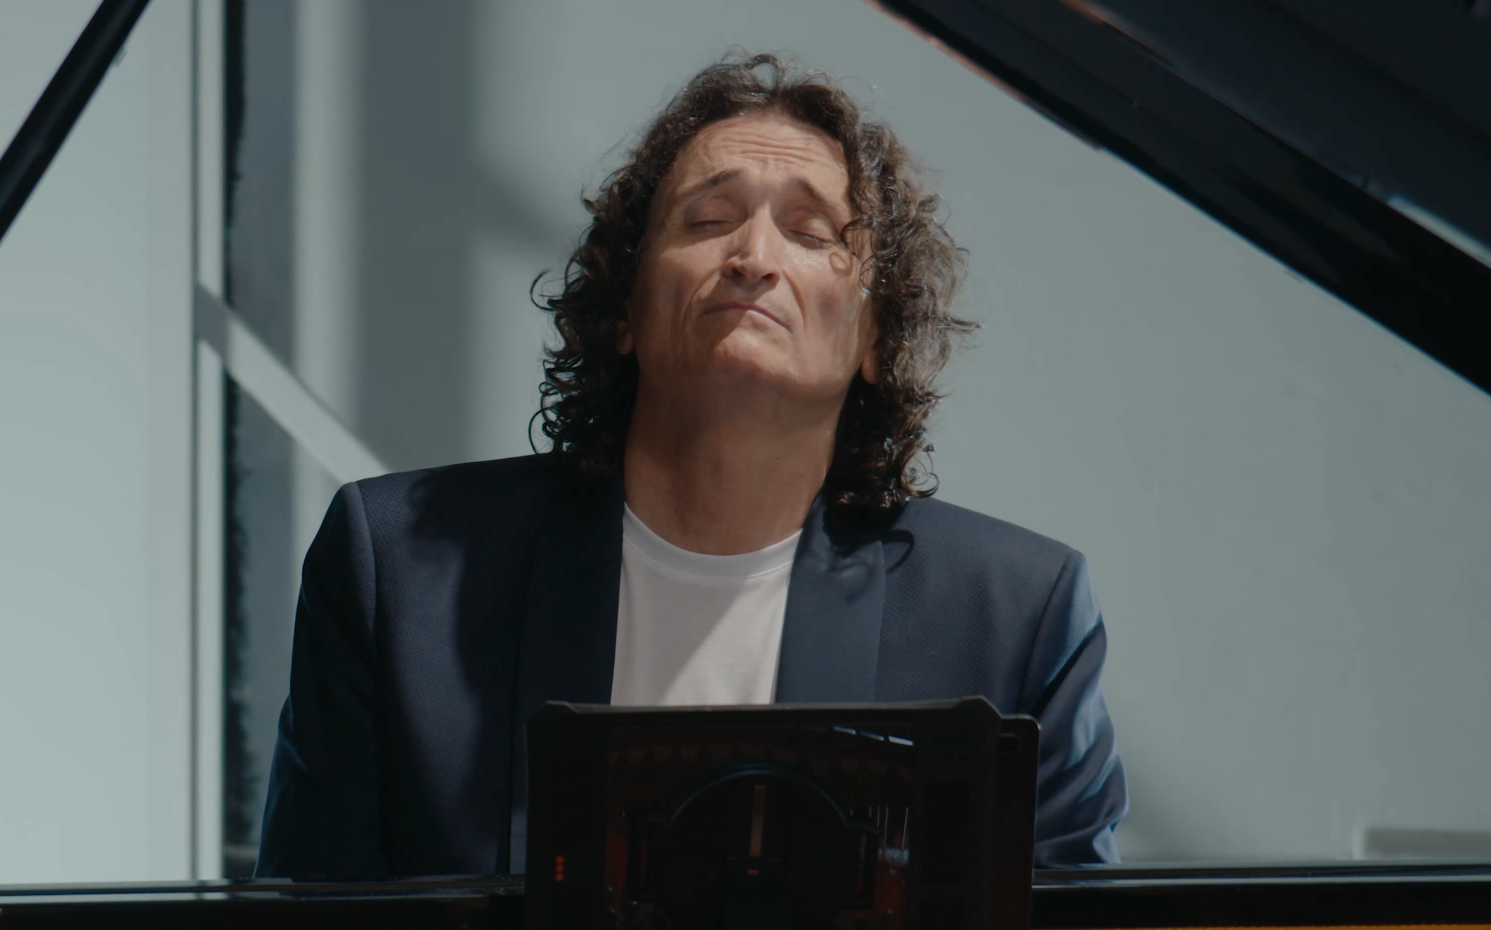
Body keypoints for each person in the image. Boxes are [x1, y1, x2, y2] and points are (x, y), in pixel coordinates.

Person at [256, 54, 1125, 878]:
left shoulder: (1016, 619)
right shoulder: (400, 570)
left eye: (810, 231)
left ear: (874, 339)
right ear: (625, 309)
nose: (752, 257)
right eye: (707, 221)